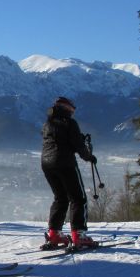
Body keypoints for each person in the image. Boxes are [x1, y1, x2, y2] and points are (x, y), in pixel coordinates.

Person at [40, 96, 98, 249]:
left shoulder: (47, 124)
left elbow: (58, 140)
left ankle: (54, 234)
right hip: (65, 164)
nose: (73, 112)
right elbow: (78, 145)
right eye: (72, 109)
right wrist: (89, 157)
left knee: (60, 198)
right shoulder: (70, 123)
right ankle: (79, 235)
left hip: (46, 164)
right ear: (67, 108)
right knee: (78, 198)